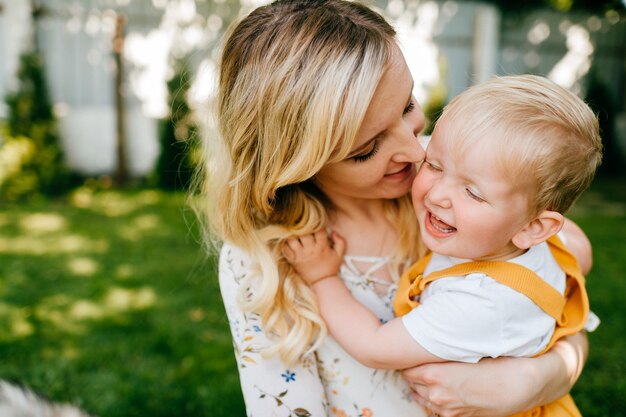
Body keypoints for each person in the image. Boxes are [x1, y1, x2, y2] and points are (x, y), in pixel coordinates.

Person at [194, 0, 592, 415]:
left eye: (407, 107)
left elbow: (567, 300)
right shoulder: (263, 262)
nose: (413, 150)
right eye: (367, 150)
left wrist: (533, 381)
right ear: (295, 164)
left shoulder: (448, 185)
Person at [282, 75, 601, 417]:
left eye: (473, 192)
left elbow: (374, 346)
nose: (437, 195)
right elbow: (580, 250)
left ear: (533, 227)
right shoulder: (526, 240)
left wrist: (322, 278)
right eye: (433, 164)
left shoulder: (480, 302)